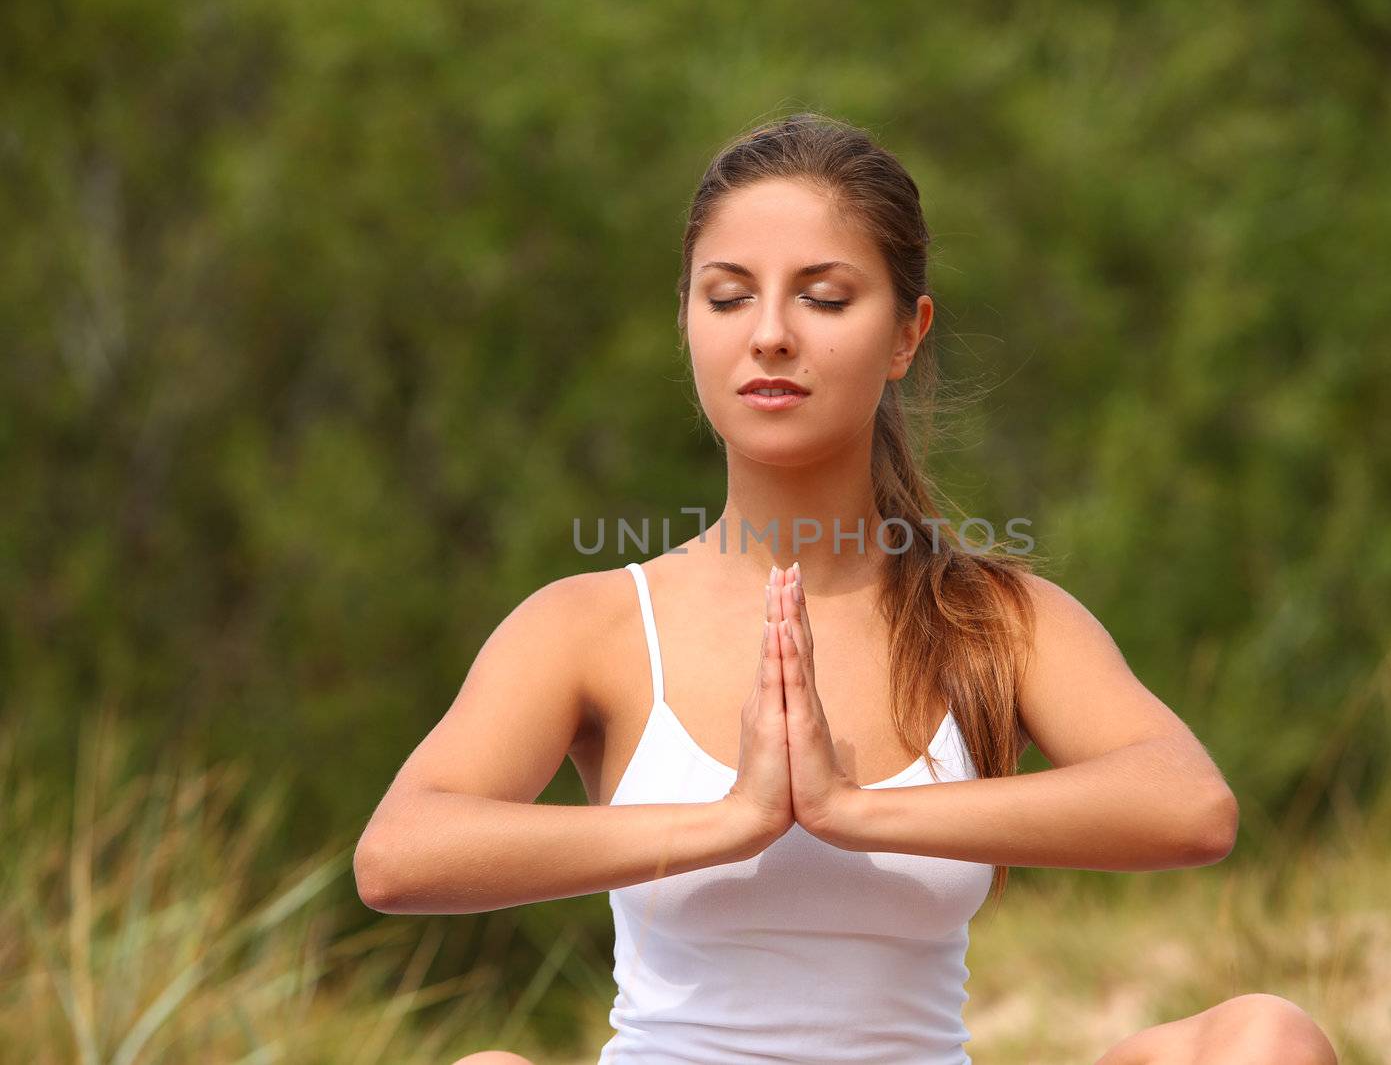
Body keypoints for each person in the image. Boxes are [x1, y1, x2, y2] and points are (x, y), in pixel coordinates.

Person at [354, 112, 1339, 1064]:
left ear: (906, 335)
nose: (771, 334)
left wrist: (846, 808)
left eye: (823, 298)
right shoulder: (592, 624)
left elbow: (1189, 806)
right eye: (728, 296)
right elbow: (399, 853)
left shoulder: (992, 619)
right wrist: (731, 819)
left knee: (1267, 1037)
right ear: (688, 323)